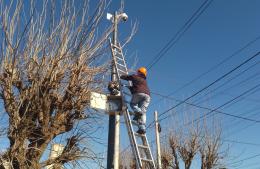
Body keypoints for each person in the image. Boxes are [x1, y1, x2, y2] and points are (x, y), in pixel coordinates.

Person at [120, 67, 150, 134]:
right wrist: (128, 87)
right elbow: (134, 87)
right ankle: (142, 128)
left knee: (133, 104)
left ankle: (138, 111)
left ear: (139, 72)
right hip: (147, 96)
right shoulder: (144, 80)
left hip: (139, 93)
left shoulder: (135, 77)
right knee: (143, 112)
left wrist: (121, 76)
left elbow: (127, 77)